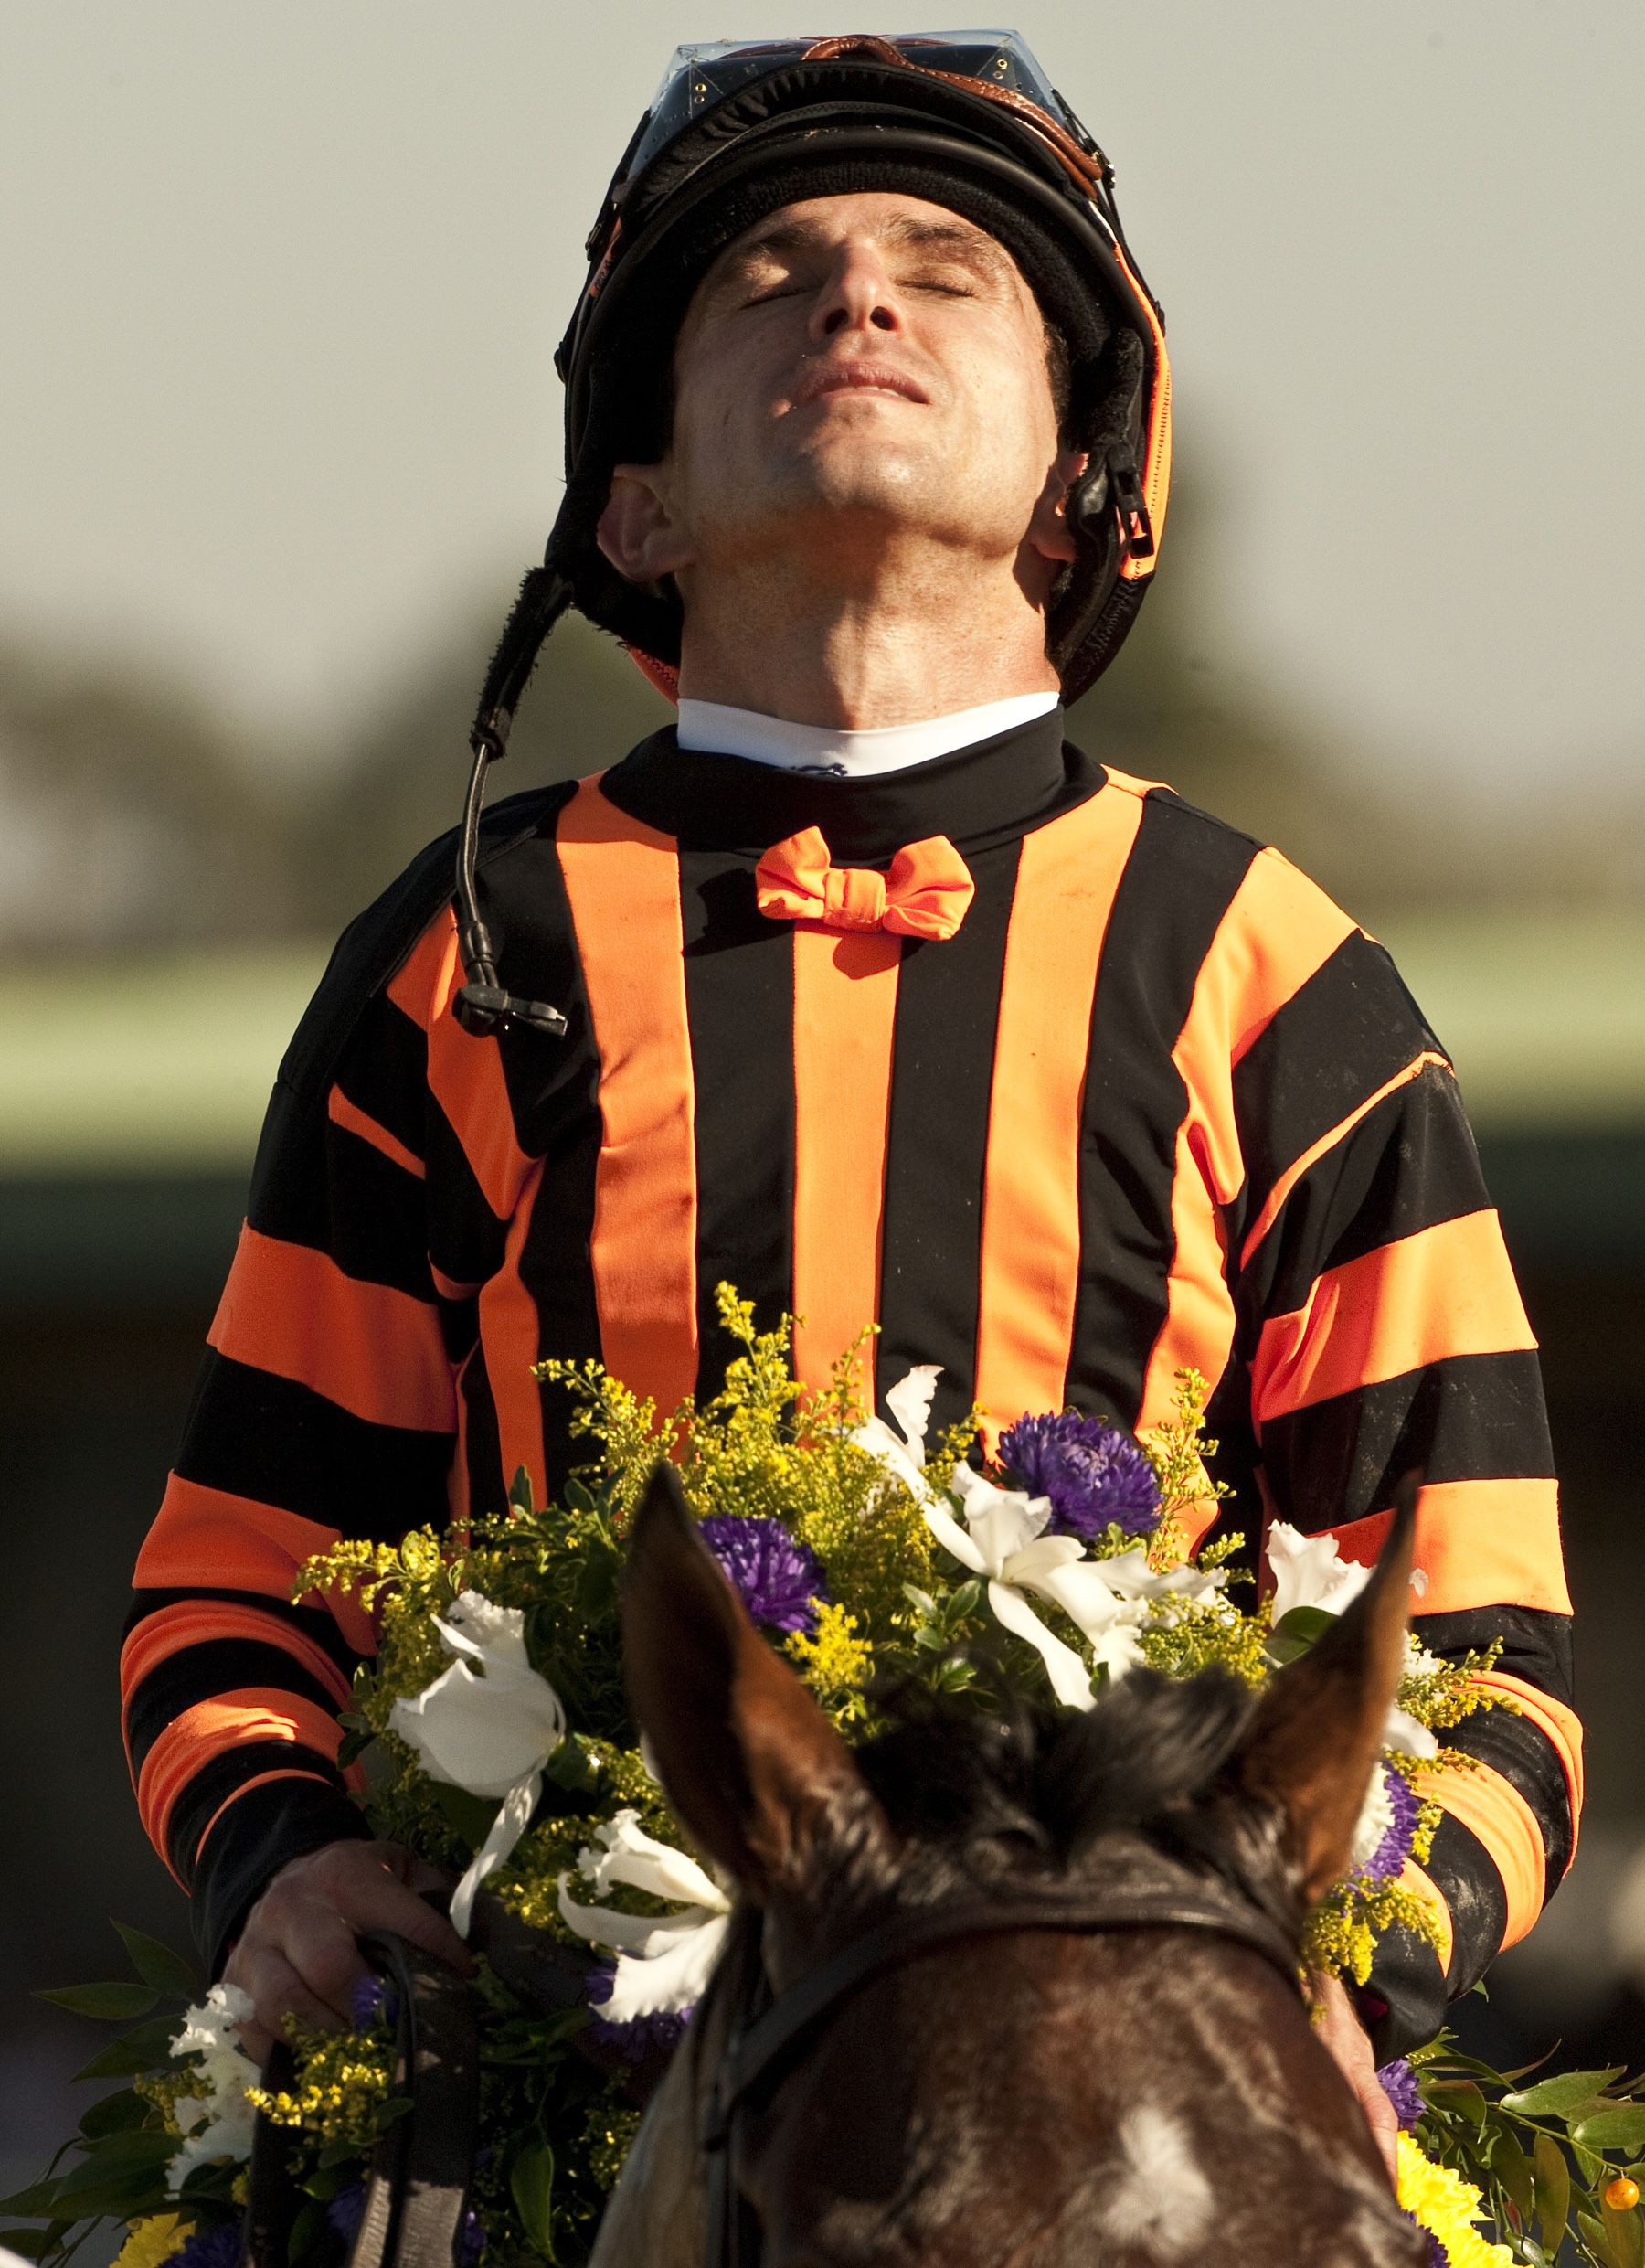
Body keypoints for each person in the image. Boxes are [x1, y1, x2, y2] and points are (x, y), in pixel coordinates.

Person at [120, 33, 1578, 2172]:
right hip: (556, 2105)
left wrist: (1342, 1940)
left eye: (942, 268)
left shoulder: (1286, 973)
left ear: (1086, 470)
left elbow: (1481, 1656)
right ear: (638, 502)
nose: (858, 298)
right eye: (766, 277)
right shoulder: (458, 957)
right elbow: (235, 1587)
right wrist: (285, 1858)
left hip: (1155, 2105)